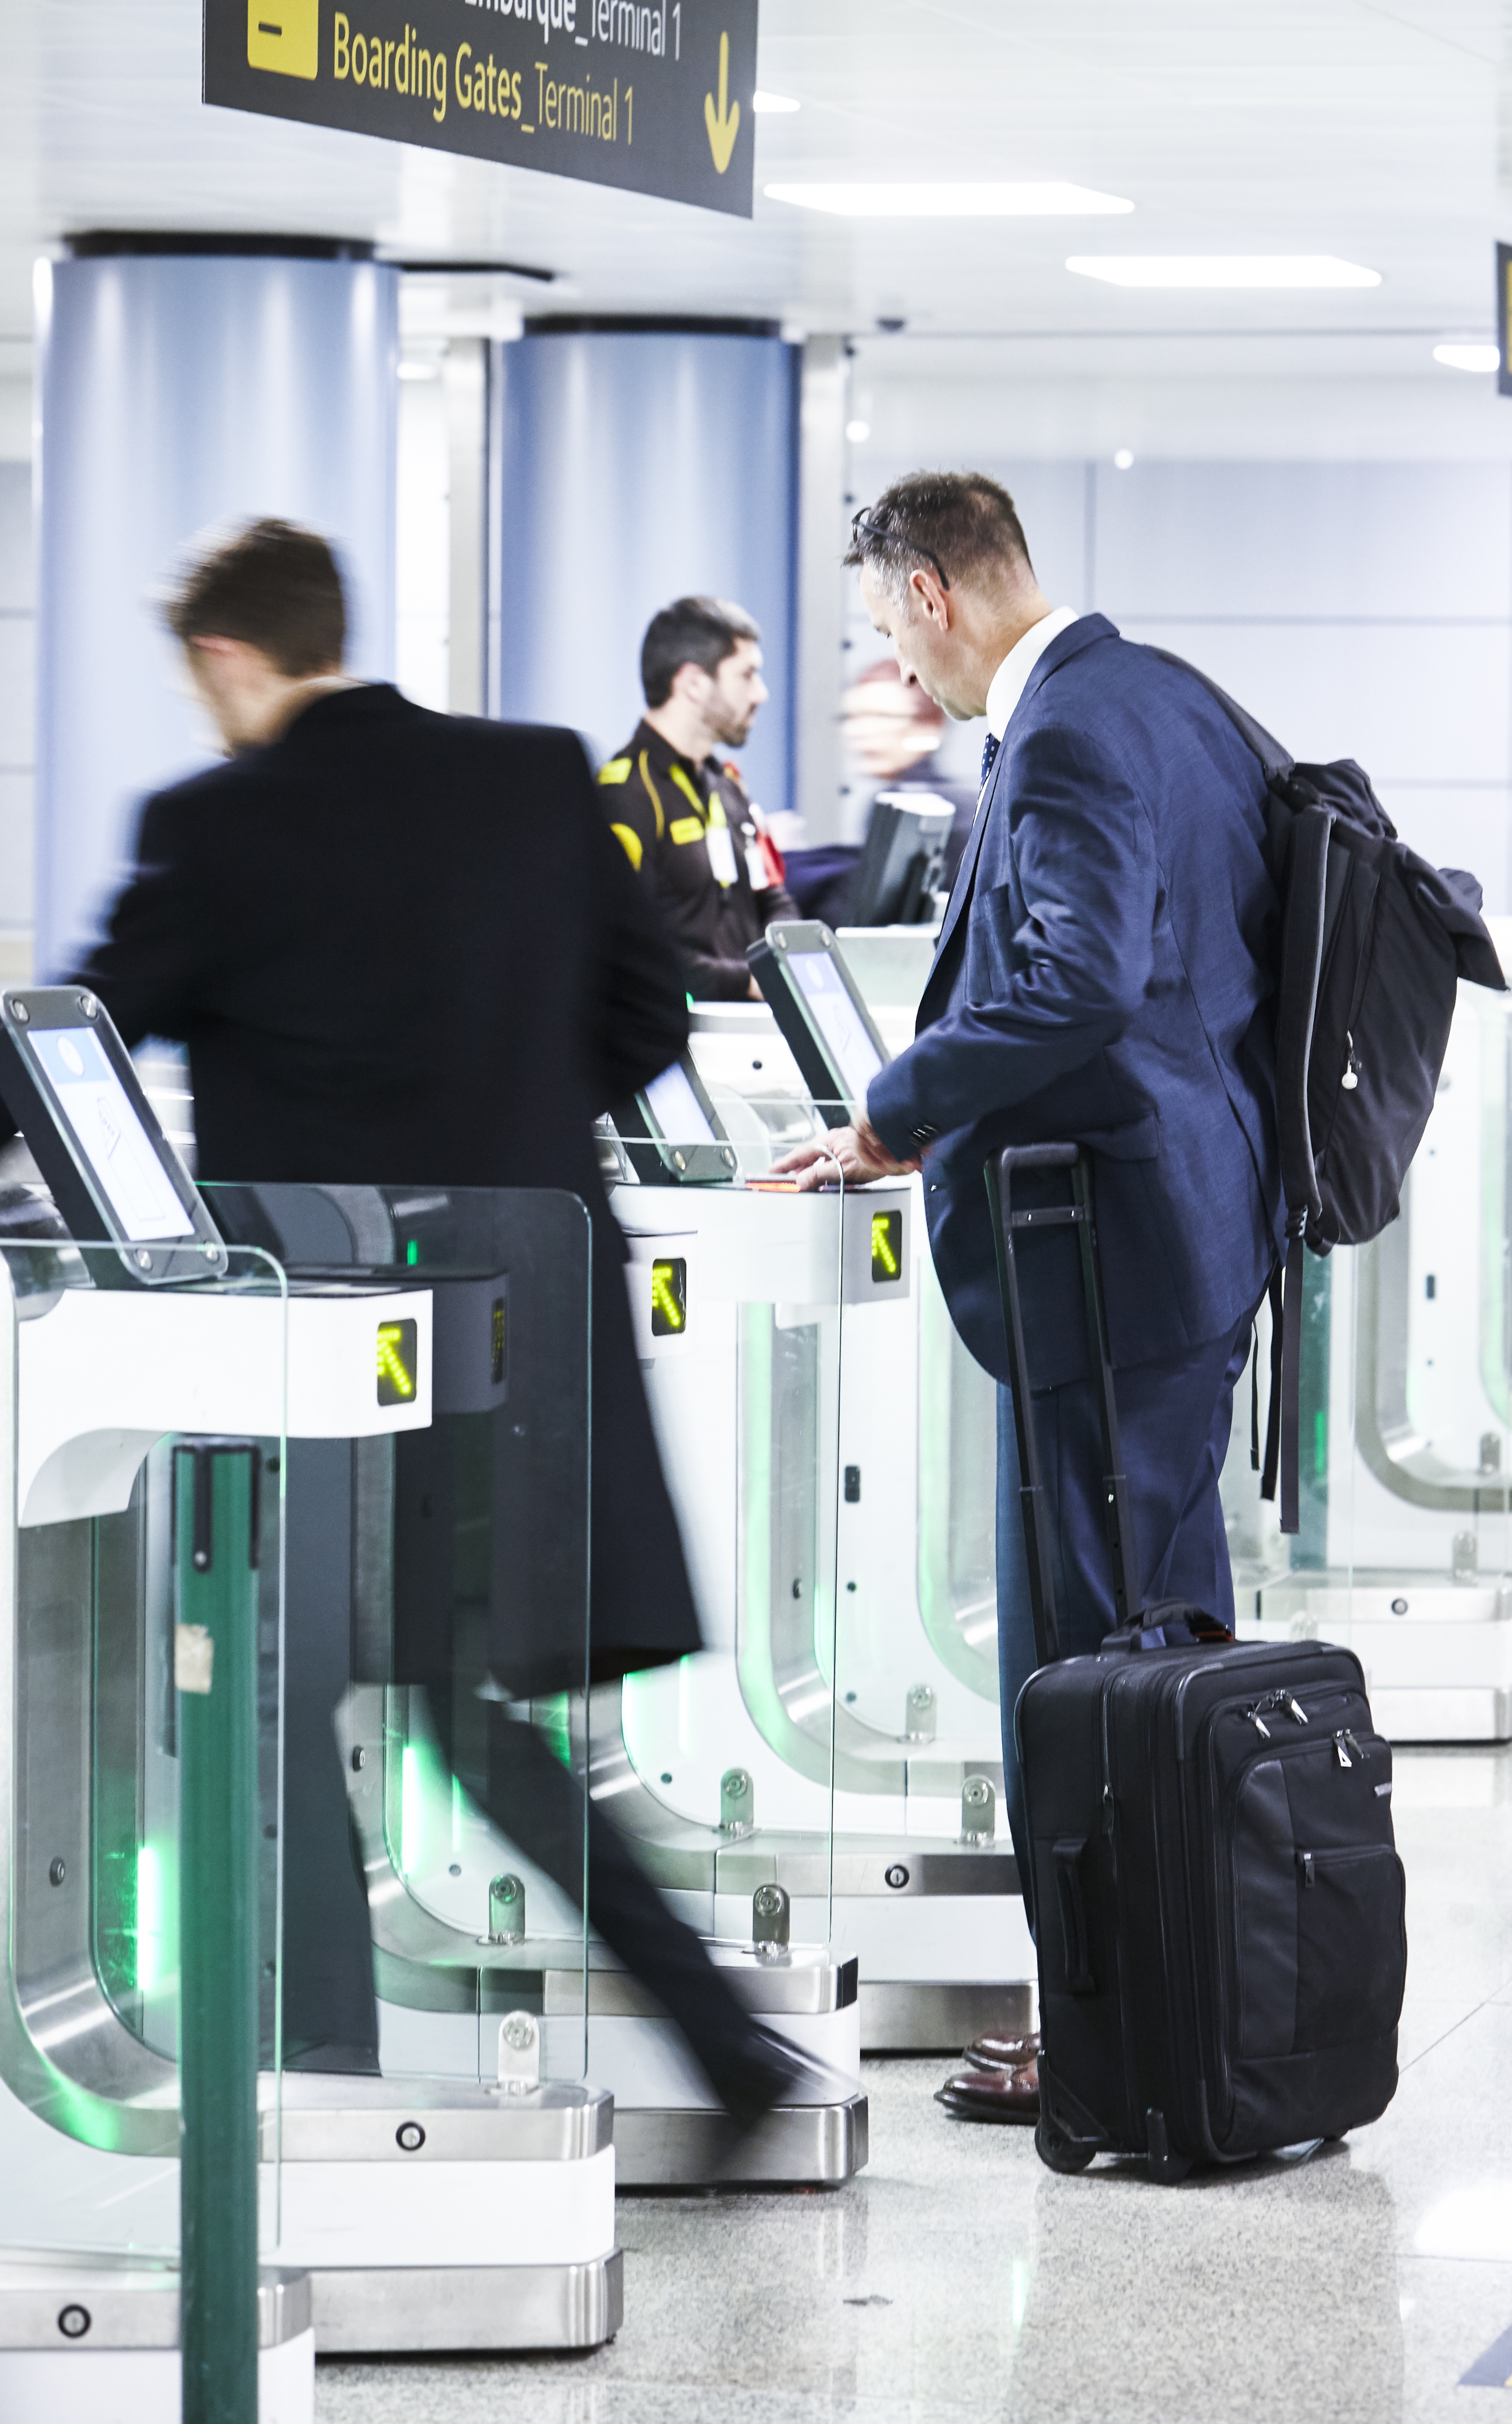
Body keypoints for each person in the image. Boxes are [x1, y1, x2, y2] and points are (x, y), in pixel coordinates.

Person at [0, 517, 823, 2125]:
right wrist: (504, 1145)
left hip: (324, 1345)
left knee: (304, 1681)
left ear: (223, 657)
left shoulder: (216, 822)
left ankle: (307, 2080)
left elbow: (53, 1055)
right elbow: (641, 1012)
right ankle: (705, 2040)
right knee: (456, 1692)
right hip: (529, 1318)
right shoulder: (535, 776)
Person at [777, 472, 1283, 2123]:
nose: (900, 673)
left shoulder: (1061, 730)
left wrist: (893, 1106)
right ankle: (1188, 2006)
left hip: (1102, 1256)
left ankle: (1122, 2036)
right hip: (1187, 1224)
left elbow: (1072, 980)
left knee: (1091, 1657)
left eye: (883, 630)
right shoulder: (1179, 701)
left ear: (928, 592)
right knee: (1159, 1634)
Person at [595, 595, 795, 999]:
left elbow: (773, 899)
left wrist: (796, 965)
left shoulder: (728, 785)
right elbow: (622, 949)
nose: (761, 694)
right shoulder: (626, 794)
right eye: (747, 675)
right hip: (683, 1045)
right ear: (693, 684)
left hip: (754, 1035)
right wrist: (750, 982)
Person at [841, 657, 980, 892]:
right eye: (852, 718)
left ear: (930, 726)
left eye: (881, 717)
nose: (858, 731)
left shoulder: (898, 809)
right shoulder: (969, 803)